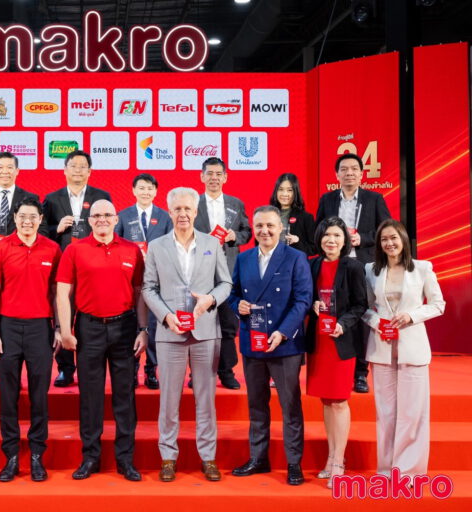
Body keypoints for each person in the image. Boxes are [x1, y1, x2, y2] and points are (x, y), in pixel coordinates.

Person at [142, 187, 232, 482]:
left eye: (187, 209)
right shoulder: (157, 246)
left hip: (206, 331)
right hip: (170, 333)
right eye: (177, 209)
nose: (183, 214)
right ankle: (168, 456)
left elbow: (225, 284)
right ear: (169, 212)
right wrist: (166, 316)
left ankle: (208, 457)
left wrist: (210, 299)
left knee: (206, 399)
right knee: (169, 399)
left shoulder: (212, 244)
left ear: (196, 212)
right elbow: (148, 288)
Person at [56, 199, 146, 482]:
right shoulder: (75, 249)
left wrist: (143, 329)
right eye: (97, 215)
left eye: (108, 215)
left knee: (125, 396)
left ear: (117, 219)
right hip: (89, 328)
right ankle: (90, 458)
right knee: (90, 397)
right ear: (89, 220)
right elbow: (62, 293)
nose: (102, 219)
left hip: (125, 328)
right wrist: (65, 330)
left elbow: (140, 292)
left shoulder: (132, 250)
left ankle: (125, 460)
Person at [228, 206, 313, 486]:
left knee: (290, 406)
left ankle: (293, 463)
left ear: (281, 228)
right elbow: (233, 293)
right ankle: (258, 458)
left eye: (270, 226)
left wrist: (283, 332)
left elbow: (303, 299)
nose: (264, 231)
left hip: (285, 344)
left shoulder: (296, 257)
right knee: (256, 404)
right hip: (253, 342)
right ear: (253, 229)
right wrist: (237, 305)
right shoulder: (244, 258)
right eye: (259, 226)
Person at [0, 197, 62, 482]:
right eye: (22, 216)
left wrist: (58, 328)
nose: (27, 221)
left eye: (33, 217)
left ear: (40, 219)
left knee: (39, 394)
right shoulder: (1, 247)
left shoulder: (52, 249)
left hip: (41, 327)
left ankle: (37, 455)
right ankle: (12, 456)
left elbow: (57, 293)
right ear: (14, 218)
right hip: (8, 328)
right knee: (8, 394)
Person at [362, 219, 445, 481]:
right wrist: (377, 322)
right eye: (384, 239)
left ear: (404, 240)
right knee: (386, 414)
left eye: (394, 238)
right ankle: (387, 470)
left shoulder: (422, 268)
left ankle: (408, 473)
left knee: (412, 413)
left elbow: (438, 304)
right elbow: (364, 307)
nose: (389, 243)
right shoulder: (370, 270)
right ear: (379, 244)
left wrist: (411, 316)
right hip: (382, 347)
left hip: (413, 348)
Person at [316, 153, 391, 393]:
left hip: (363, 265)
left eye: (354, 169)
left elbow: (386, 230)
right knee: (336, 314)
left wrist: (363, 239)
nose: (349, 173)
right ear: (336, 175)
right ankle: (336, 365)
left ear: (361, 174)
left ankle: (360, 373)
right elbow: (319, 229)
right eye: (344, 169)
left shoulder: (374, 199)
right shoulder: (327, 199)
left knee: (361, 316)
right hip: (335, 264)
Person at [0, 151, 45, 392]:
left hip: (20, 261)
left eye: (9, 167)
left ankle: (16, 372)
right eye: (0, 167)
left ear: (17, 171)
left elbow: (38, 228)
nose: (5, 171)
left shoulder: (30, 198)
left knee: (17, 314)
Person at [305, 217, 367, 487]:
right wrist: (313, 305)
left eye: (337, 235)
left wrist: (343, 323)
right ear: (319, 238)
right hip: (319, 342)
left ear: (345, 240)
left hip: (341, 342)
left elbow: (360, 305)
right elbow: (306, 296)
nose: (331, 240)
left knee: (340, 401)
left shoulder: (353, 266)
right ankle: (330, 458)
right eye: (326, 235)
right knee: (326, 401)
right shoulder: (312, 264)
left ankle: (340, 461)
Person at [44, 150, 111, 388]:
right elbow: (40, 231)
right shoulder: (52, 199)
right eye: (74, 166)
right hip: (63, 264)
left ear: (90, 172)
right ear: (65, 170)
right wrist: (57, 228)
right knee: (63, 315)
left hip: (93, 265)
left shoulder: (101, 196)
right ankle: (65, 368)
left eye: (83, 166)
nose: (78, 170)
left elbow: (108, 226)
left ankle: (89, 365)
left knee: (90, 317)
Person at [193, 157, 250, 390]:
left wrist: (235, 236)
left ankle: (227, 372)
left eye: (219, 174)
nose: (214, 178)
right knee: (198, 325)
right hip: (199, 272)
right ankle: (197, 373)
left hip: (228, 271)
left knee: (228, 325)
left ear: (225, 177)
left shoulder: (236, 203)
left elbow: (247, 231)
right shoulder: (193, 203)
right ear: (202, 176)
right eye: (210, 173)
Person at [116, 173, 173, 389]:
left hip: (157, 280)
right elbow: (116, 243)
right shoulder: (123, 216)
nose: (145, 192)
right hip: (130, 280)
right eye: (141, 188)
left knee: (153, 326)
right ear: (133, 190)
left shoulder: (165, 217)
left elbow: (172, 246)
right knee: (132, 325)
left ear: (156, 191)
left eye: (150, 188)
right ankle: (132, 370)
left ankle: (151, 370)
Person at [269, 173, 316, 256]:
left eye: (289, 190)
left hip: (294, 262)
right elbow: (259, 243)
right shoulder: (268, 215)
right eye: (281, 189)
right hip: (271, 261)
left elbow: (314, 249)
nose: (284, 194)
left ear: (295, 192)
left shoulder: (306, 217)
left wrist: (297, 241)